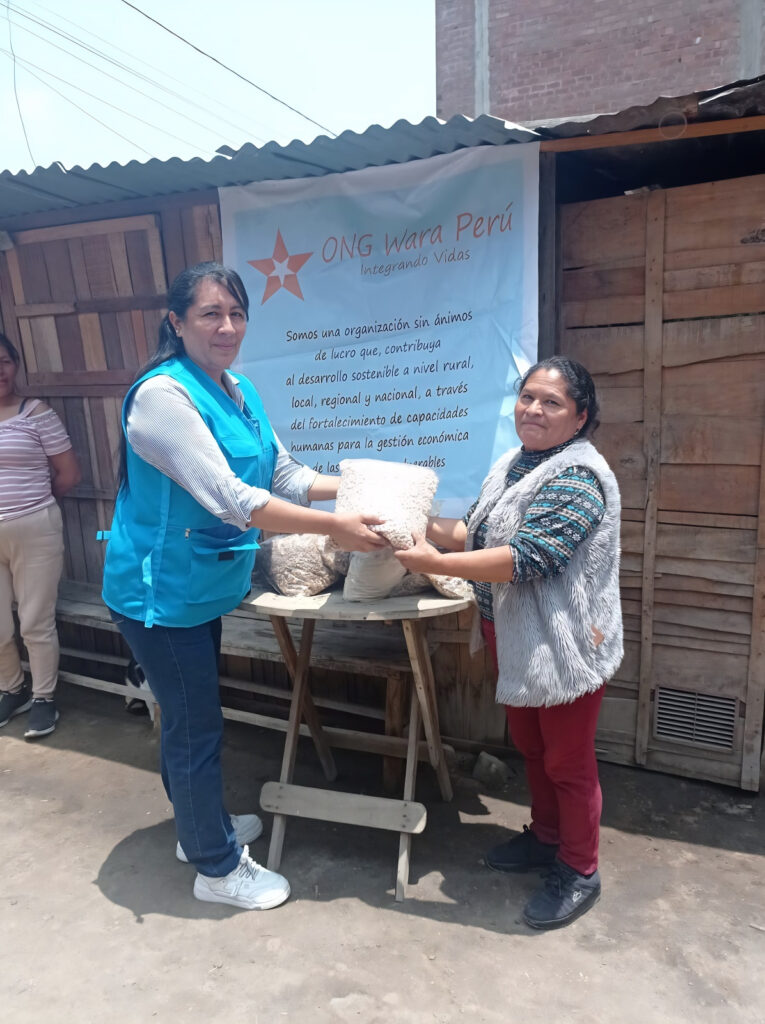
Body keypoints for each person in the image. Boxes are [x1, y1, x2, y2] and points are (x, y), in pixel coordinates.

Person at [101, 261, 386, 913]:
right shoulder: (161, 398)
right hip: (159, 594)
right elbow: (235, 499)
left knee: (189, 718)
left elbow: (284, 476)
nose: (226, 327)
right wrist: (336, 526)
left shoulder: (240, 389)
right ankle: (216, 867)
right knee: (196, 725)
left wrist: (365, 483)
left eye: (236, 313)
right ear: (177, 322)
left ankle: (198, 828)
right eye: (210, 313)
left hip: (202, 585)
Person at [395, 356, 623, 930]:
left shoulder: (579, 476)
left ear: (580, 417)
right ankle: (546, 838)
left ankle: (580, 869)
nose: (534, 410)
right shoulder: (513, 464)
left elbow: (528, 558)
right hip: (514, 634)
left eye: (552, 402)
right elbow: (473, 532)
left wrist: (434, 561)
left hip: (564, 644)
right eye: (527, 397)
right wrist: (407, 527)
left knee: (568, 760)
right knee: (533, 747)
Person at [0, 334, 81, 738]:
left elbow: (68, 474)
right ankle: (11, 689)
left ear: (15, 364)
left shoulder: (36, 413)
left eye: (4, 361)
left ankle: (44, 697)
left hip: (34, 528)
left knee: (35, 620)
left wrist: (31, 506)